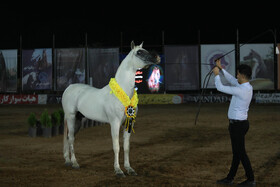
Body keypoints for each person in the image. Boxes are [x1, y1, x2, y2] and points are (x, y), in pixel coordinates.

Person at [213, 59, 256, 186]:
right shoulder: (246, 86)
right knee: (237, 153)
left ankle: (251, 179)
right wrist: (221, 69)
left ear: (242, 76)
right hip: (239, 124)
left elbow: (220, 87)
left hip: (237, 125)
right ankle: (230, 178)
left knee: (241, 153)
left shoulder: (241, 90)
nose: (236, 75)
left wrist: (216, 75)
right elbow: (232, 80)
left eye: (238, 74)